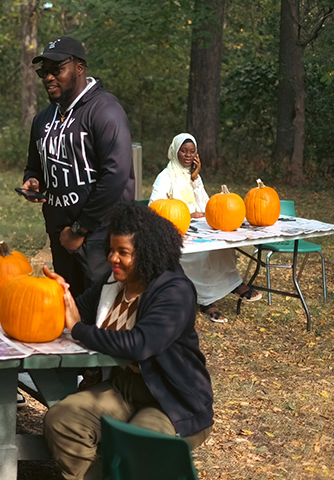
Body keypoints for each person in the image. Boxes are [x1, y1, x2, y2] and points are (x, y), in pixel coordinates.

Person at [43, 201, 214, 480]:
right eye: (111, 249)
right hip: (125, 388)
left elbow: (139, 344)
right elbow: (79, 308)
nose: (113, 258)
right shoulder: (114, 281)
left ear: (147, 254)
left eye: (124, 252)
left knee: (136, 446)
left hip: (170, 398)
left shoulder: (175, 291)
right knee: (62, 421)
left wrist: (78, 330)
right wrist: (57, 291)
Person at [21, 36, 134, 298]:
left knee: (101, 312)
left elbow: (116, 176)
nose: (48, 77)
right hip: (60, 233)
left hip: (99, 235)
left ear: (79, 68)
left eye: (56, 69)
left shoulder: (105, 109)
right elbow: (34, 166)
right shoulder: (43, 118)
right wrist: (33, 181)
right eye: (43, 72)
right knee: (70, 312)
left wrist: (79, 229)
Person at [149, 133, 261, 323]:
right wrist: (188, 215)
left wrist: (195, 180)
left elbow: (208, 205)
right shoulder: (165, 176)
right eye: (183, 151)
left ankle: (234, 284)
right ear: (174, 151)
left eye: (192, 152)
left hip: (200, 228)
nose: (187, 155)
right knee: (203, 253)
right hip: (177, 231)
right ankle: (207, 301)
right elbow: (155, 207)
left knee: (223, 245)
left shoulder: (194, 176)